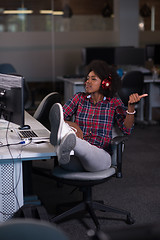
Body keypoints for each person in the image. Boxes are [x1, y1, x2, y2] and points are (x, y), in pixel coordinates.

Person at [49, 60, 148, 172]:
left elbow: (127, 130)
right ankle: (68, 142)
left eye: (93, 79)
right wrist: (72, 124)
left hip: (100, 158)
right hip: (76, 159)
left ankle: (68, 143)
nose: (88, 82)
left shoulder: (113, 102)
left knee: (79, 143)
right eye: (87, 78)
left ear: (105, 83)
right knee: (63, 124)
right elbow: (59, 116)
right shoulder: (79, 98)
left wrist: (131, 107)